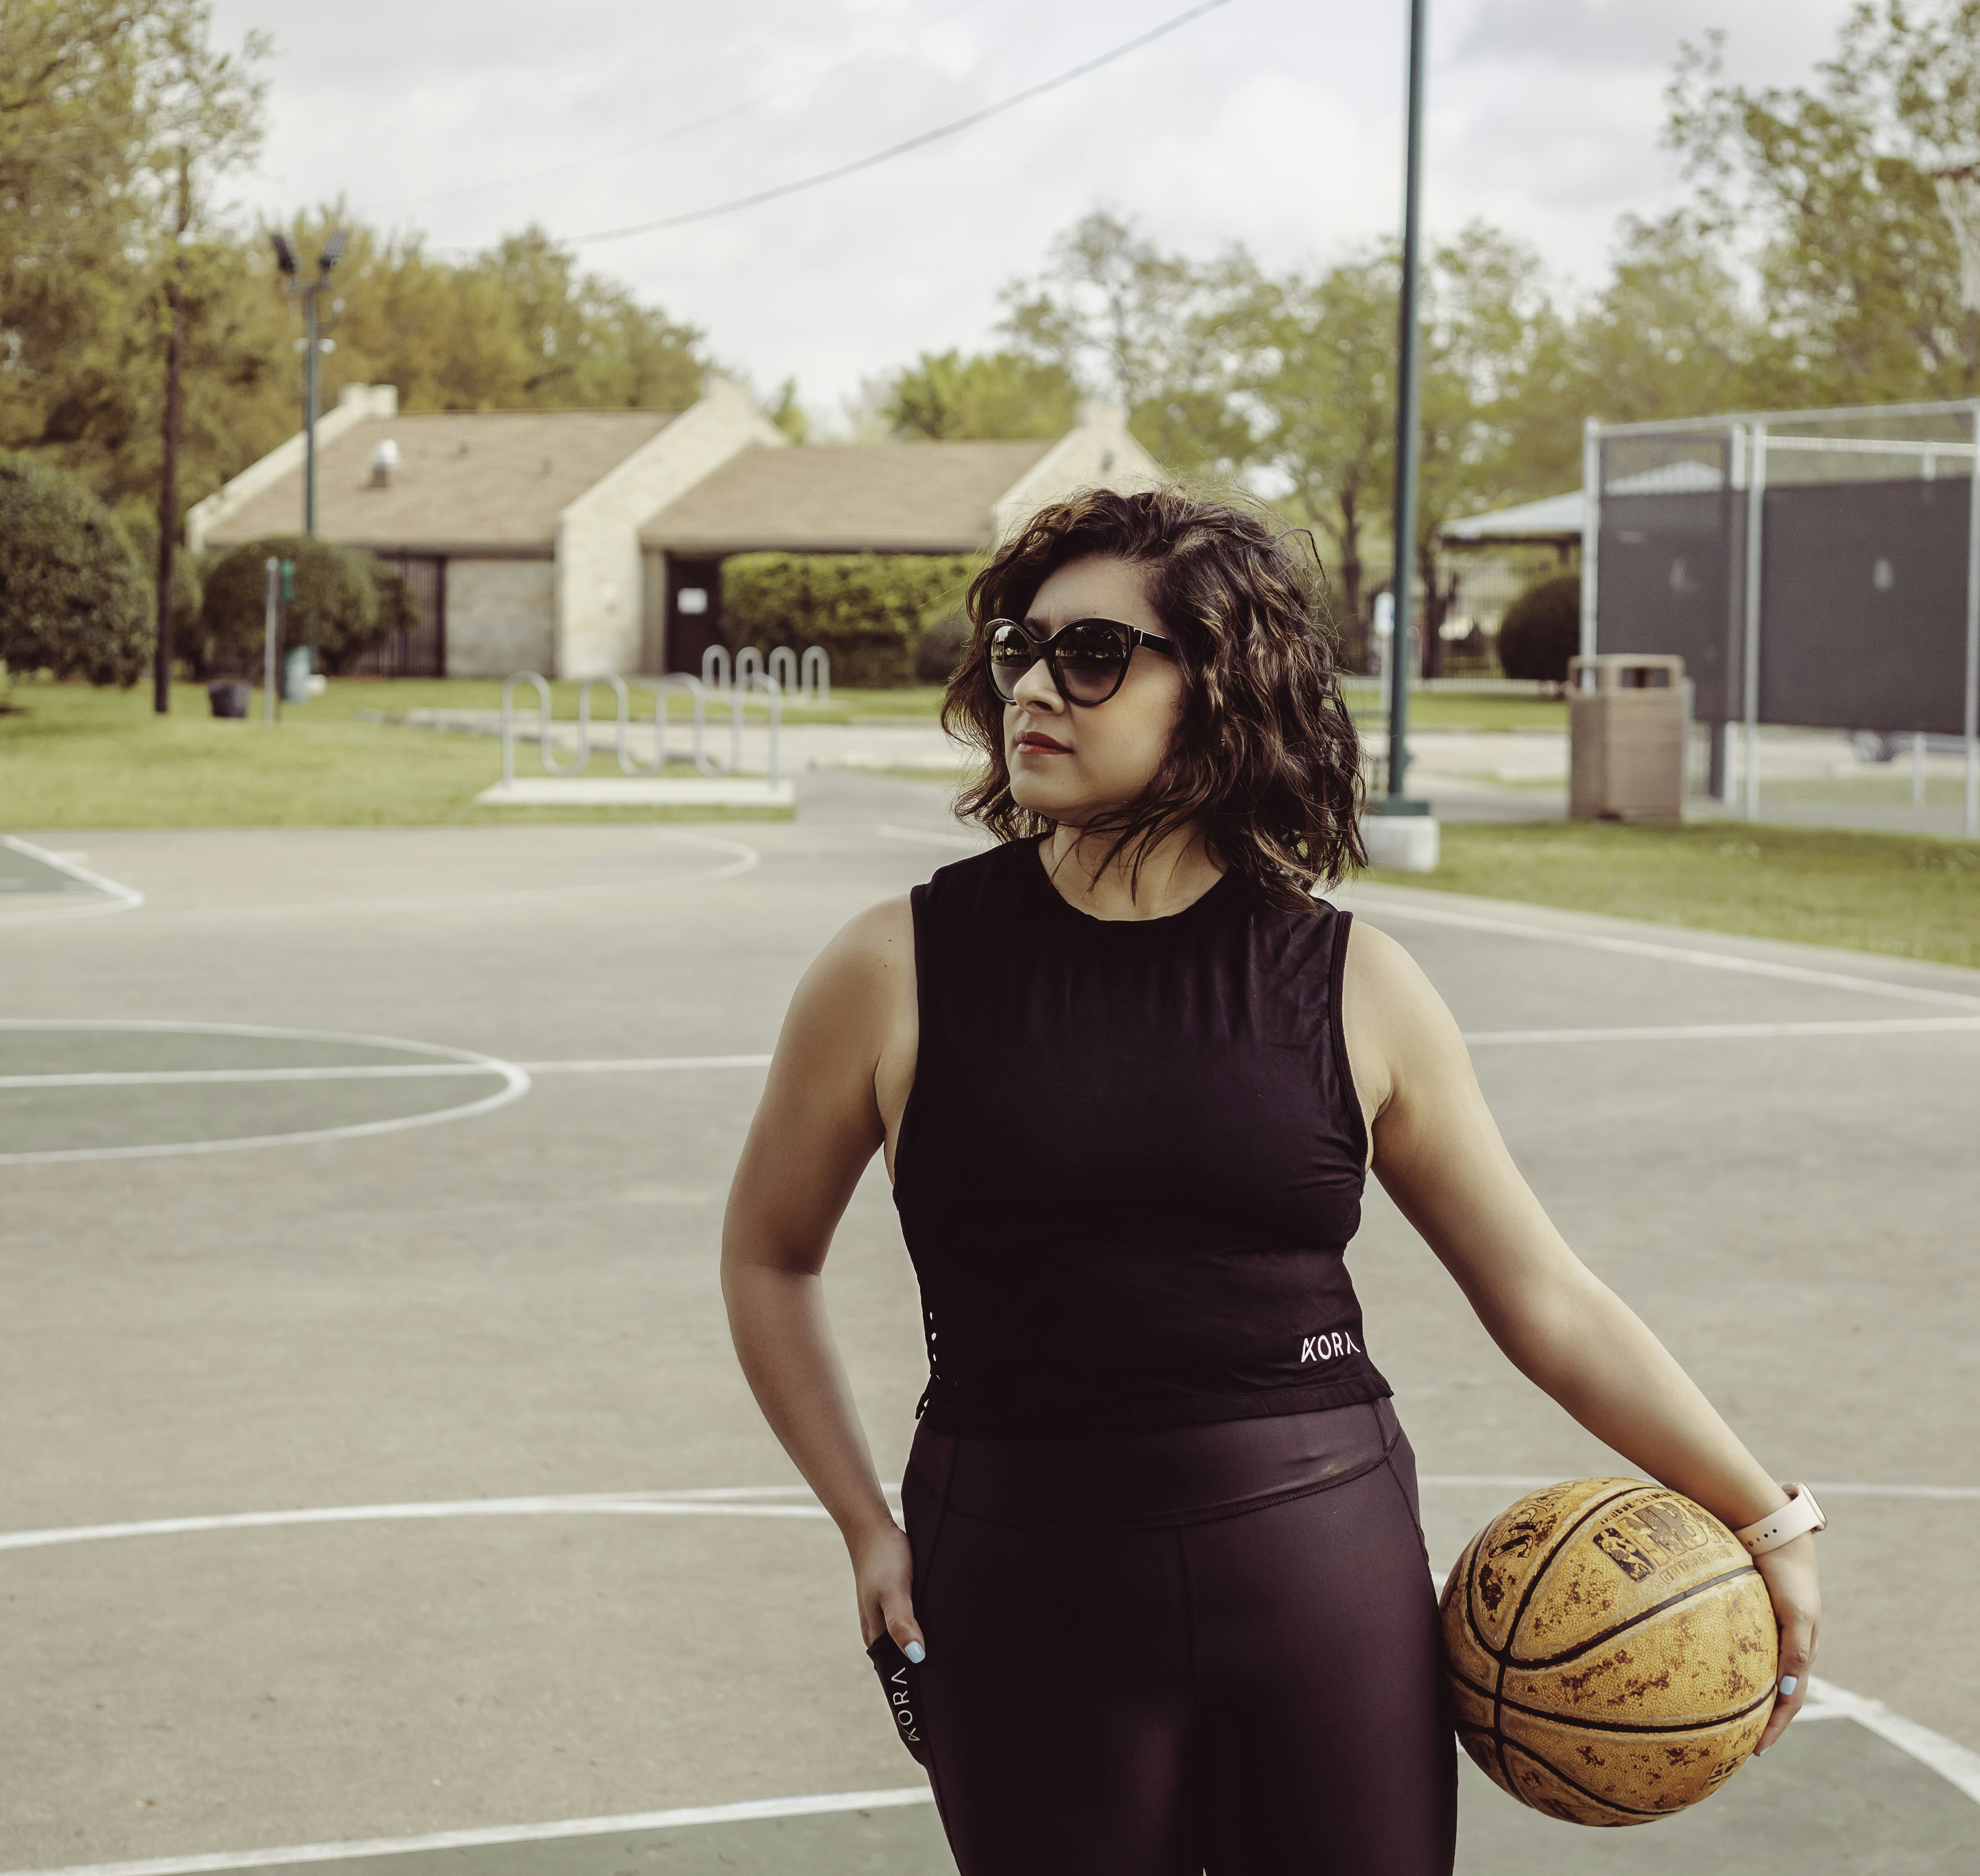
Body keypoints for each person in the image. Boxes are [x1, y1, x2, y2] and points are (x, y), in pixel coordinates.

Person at [720, 487, 1821, 1875]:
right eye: (1019, 648)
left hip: (1316, 1564)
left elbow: (1544, 1293)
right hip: (1010, 1568)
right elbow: (768, 1255)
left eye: (1093, 654)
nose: (1035, 689)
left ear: (1221, 687)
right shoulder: (894, 967)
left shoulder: (1358, 983)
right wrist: (862, 1522)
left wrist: (1765, 1509)